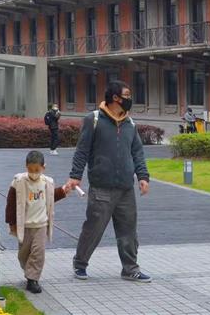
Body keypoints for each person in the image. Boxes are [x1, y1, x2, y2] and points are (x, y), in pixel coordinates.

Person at [64, 80, 151, 283]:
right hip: (101, 187)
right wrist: (75, 175)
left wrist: (143, 176)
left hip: (125, 189)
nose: (130, 99)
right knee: (93, 228)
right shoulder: (93, 119)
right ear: (115, 98)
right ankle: (80, 264)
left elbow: (137, 152)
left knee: (129, 231)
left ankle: (130, 269)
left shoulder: (130, 123)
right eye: (127, 95)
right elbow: (82, 151)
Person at [5, 150, 70, 294]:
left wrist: (64, 190)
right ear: (26, 166)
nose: (33, 173)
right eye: (30, 170)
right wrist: (12, 222)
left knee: (38, 253)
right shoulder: (19, 181)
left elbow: (51, 197)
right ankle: (28, 270)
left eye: (37, 170)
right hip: (25, 225)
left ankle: (32, 280)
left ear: (43, 168)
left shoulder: (47, 182)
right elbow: (11, 203)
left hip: (41, 224)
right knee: (24, 254)